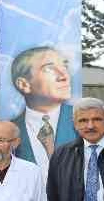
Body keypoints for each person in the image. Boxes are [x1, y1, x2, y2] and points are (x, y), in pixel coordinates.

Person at [10, 46, 78, 180]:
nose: (64, 76)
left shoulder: (84, 122)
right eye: (49, 68)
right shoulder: (9, 130)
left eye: (64, 66)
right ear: (24, 84)